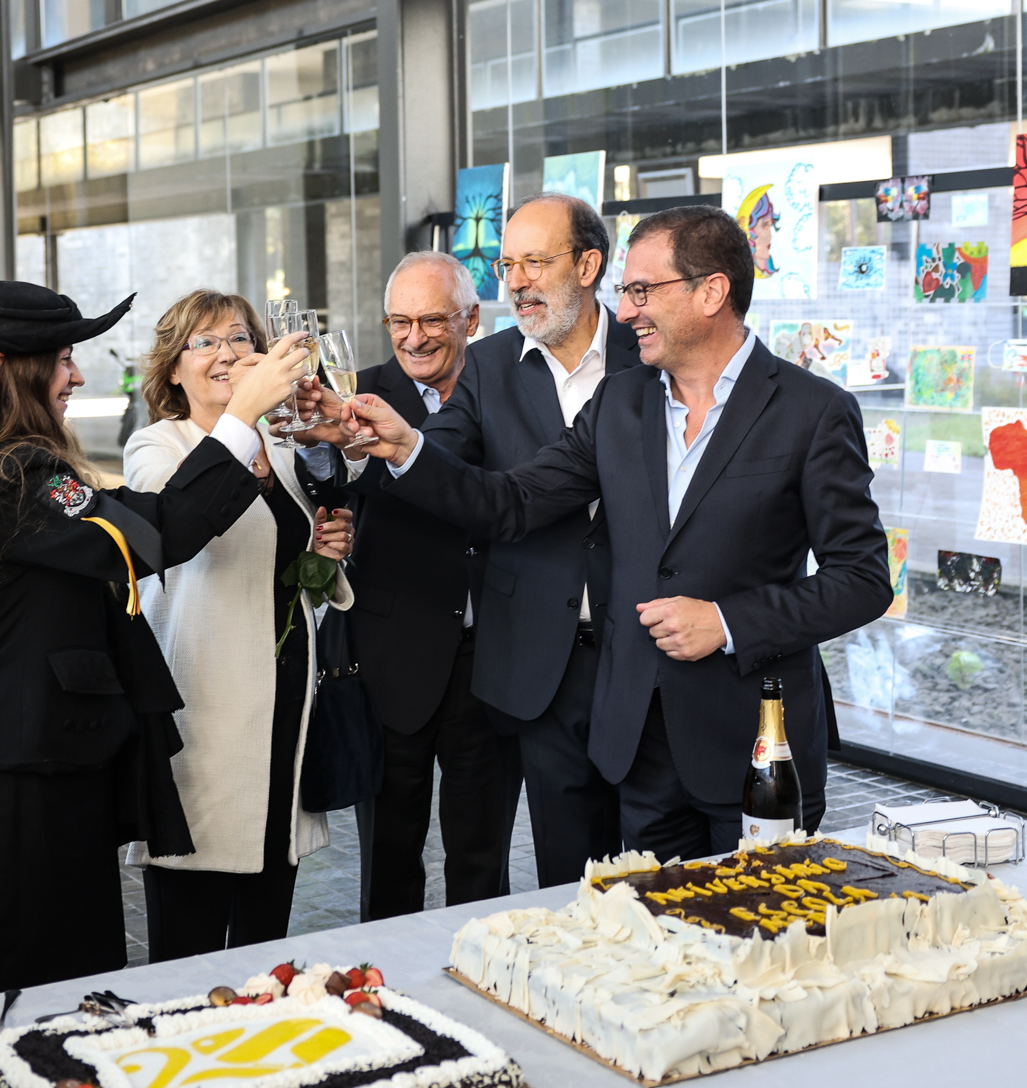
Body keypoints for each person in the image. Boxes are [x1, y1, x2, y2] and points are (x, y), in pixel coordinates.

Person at [339, 204, 893, 861]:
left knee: (757, 921)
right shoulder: (621, 402)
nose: (625, 311)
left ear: (711, 292)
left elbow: (863, 579)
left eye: (642, 291)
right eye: (626, 292)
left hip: (754, 739)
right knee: (642, 920)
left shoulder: (813, 411)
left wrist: (728, 621)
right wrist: (406, 448)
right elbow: (513, 500)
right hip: (638, 744)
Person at [0, 281, 310, 1004]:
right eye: (63, 359)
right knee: (36, 992)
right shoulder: (16, 474)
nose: (78, 375)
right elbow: (152, 536)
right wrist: (242, 417)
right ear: (5, 368)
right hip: (29, 774)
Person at [318, 193, 632, 888]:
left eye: (534, 262)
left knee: (652, 860)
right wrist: (365, 450)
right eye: (507, 265)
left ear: (587, 266)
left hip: (627, 652)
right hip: (495, 662)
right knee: (556, 872)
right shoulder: (489, 367)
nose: (517, 280)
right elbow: (442, 467)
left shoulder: (648, 354)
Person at [123, 289, 355, 961]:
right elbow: (178, 531)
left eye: (239, 339)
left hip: (283, 713)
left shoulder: (280, 451)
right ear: (173, 369)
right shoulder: (156, 446)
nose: (225, 353)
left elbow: (282, 576)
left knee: (264, 942)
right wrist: (243, 418)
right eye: (204, 342)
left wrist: (322, 559)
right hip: (204, 717)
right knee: (186, 946)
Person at [299, 252, 519, 920]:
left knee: (482, 856)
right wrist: (318, 450)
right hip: (391, 659)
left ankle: (481, 967)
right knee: (389, 858)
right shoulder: (355, 395)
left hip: (493, 659)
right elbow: (324, 486)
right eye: (399, 321)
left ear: (472, 319)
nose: (413, 337)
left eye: (431, 321)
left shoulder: (511, 394)